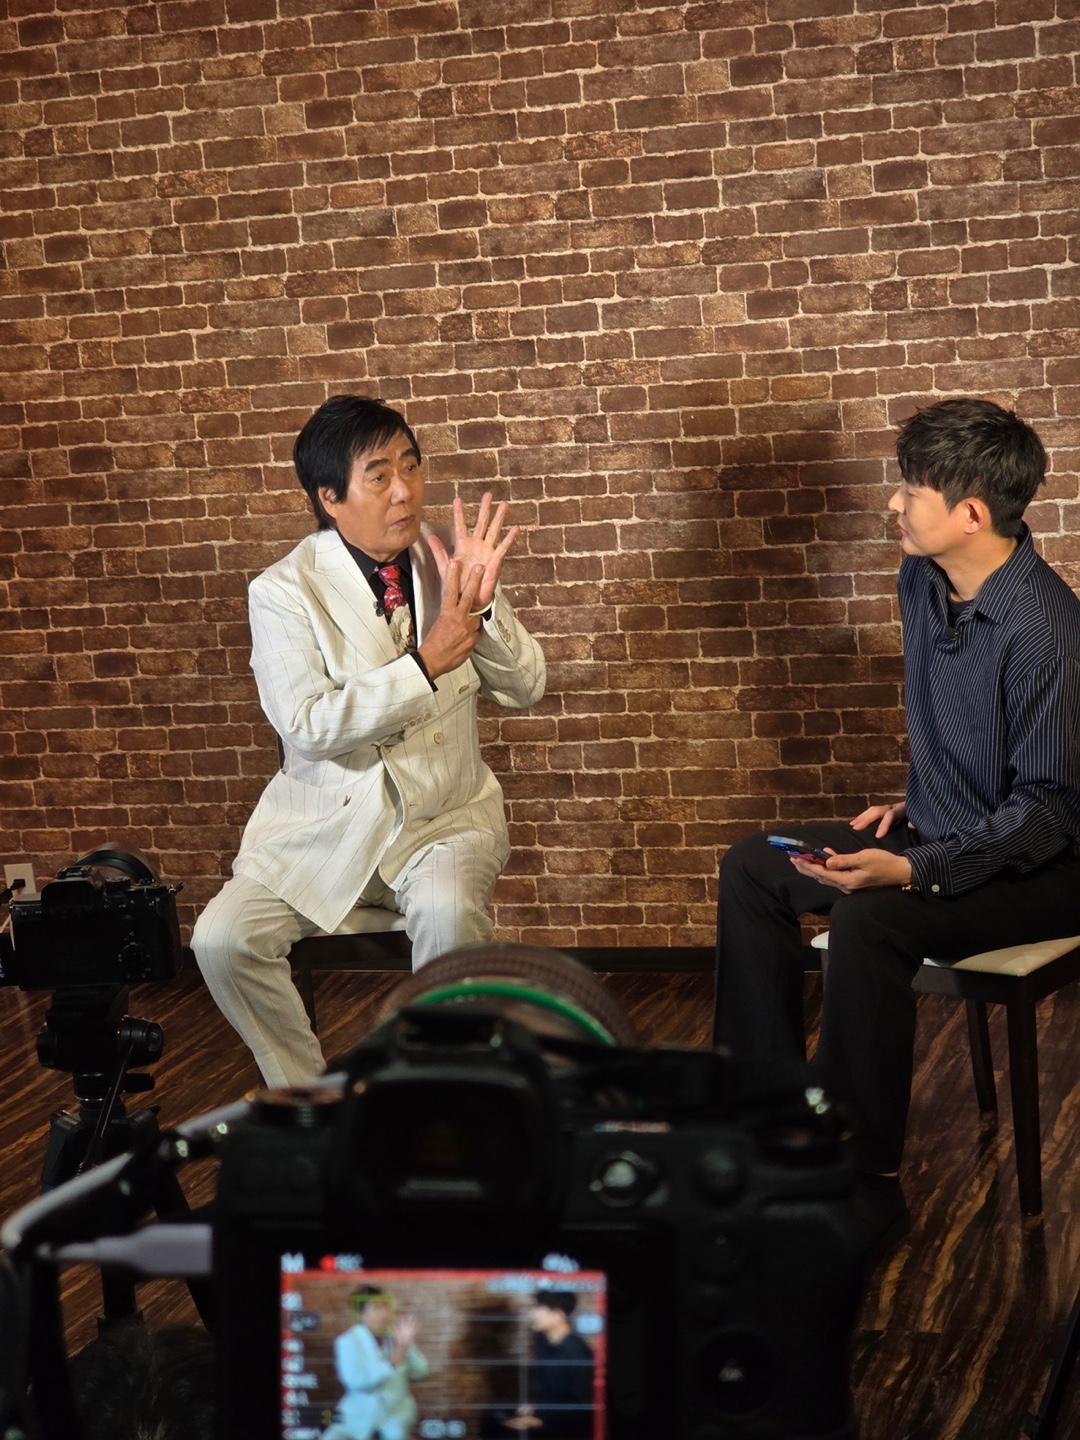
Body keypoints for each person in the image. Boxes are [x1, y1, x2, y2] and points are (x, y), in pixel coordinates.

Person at [713, 397, 1080, 1249]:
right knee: (754, 867)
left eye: (911, 489)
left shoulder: (1049, 634)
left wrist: (914, 869)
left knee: (870, 920)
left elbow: (1051, 811)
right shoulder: (921, 579)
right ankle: (764, 1119)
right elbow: (971, 733)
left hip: (1046, 867)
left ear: (971, 514)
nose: (893, 503)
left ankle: (861, 1178)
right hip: (949, 829)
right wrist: (922, 802)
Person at [192, 395, 546, 1086]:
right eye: (379, 475)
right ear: (329, 497)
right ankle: (307, 1099)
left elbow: (526, 686)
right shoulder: (283, 591)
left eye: (411, 466)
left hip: (444, 821)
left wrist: (478, 604)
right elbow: (308, 725)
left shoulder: (447, 563)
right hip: (322, 829)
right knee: (221, 941)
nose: (405, 490)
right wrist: (425, 663)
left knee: (447, 913)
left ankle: (439, 1093)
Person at [322, 1288, 428, 1440]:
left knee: (396, 1433)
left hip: (395, 1413)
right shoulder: (347, 1342)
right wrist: (390, 1363)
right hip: (358, 1413)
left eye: (386, 1307)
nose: (384, 1313)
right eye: (377, 1308)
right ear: (360, 1314)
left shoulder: (396, 1338)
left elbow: (421, 1371)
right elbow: (355, 1382)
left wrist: (406, 1345)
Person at [500, 1293, 595, 1438]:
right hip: (547, 1418)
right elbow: (549, 1391)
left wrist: (540, 1422)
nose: (532, 1314)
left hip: (569, 1429)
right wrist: (534, 1408)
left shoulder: (577, 1353)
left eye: (539, 1309)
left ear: (558, 1315)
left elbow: (583, 1405)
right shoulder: (541, 1341)